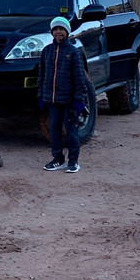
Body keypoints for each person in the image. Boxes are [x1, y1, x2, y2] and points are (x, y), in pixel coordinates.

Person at [37, 16, 89, 173]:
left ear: (67, 32)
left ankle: (73, 161)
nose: (58, 32)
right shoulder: (46, 52)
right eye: (55, 29)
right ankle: (57, 159)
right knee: (54, 131)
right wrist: (41, 96)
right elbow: (42, 76)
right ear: (52, 32)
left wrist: (79, 101)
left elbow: (80, 79)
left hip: (69, 101)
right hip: (52, 101)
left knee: (71, 132)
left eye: (61, 29)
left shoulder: (73, 52)